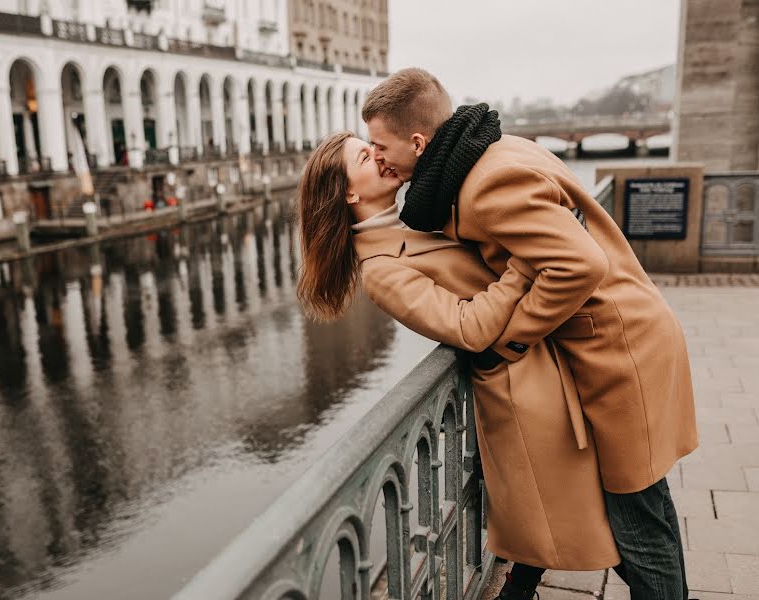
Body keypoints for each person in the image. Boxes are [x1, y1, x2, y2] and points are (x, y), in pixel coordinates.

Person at [361, 68, 698, 600]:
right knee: (647, 509)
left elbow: (578, 264)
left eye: (380, 145)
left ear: (418, 141)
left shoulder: (485, 183)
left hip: (617, 351)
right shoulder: (494, 150)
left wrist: (515, 337)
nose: (377, 156)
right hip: (625, 339)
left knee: (640, 525)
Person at [297, 131, 621, 600]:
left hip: (544, 361)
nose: (381, 157)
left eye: (374, 145)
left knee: (568, 527)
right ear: (349, 192)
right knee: (593, 522)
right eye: (366, 157)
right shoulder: (381, 270)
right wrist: (526, 265)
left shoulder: (414, 220)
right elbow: (468, 328)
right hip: (520, 388)